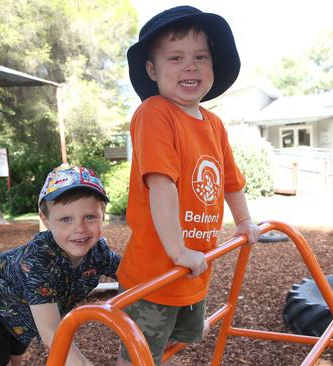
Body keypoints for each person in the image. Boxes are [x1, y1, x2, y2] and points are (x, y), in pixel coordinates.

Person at [116, 6, 260, 365]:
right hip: (157, 271)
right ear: (152, 69)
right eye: (176, 58)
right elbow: (161, 185)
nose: (190, 66)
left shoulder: (214, 123)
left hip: (194, 267)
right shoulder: (155, 113)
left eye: (200, 57)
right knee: (138, 356)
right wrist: (178, 250)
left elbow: (230, 180)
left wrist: (243, 221)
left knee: (172, 346)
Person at [0, 164, 120, 366]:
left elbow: (131, 275)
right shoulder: (38, 261)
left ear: (103, 215)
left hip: (22, 308)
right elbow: (52, 334)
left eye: (90, 217)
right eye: (65, 219)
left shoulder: (99, 253)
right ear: (45, 219)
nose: (79, 228)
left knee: (13, 358)